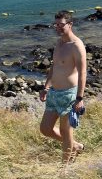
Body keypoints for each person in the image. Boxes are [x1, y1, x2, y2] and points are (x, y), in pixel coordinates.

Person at [39, 11, 87, 163]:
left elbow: (83, 73)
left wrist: (79, 98)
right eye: (56, 24)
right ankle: (76, 146)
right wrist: (46, 87)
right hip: (54, 93)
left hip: (69, 95)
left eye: (61, 24)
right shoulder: (59, 43)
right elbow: (54, 66)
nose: (58, 27)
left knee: (67, 132)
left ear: (70, 24)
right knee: (45, 129)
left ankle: (64, 168)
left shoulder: (77, 46)